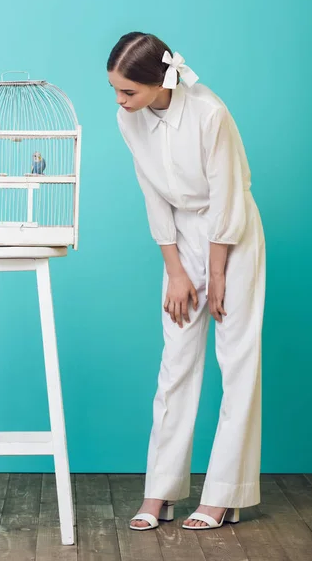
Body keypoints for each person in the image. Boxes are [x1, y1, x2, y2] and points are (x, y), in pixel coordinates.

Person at [107, 32, 266, 531]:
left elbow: (228, 196)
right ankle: (161, 490)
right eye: (114, 90)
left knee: (237, 361)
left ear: (159, 82)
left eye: (128, 91)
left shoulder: (209, 112)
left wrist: (216, 273)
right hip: (179, 237)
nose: (120, 101)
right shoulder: (127, 120)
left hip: (232, 235)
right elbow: (153, 196)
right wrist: (176, 270)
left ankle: (224, 495)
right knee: (175, 361)